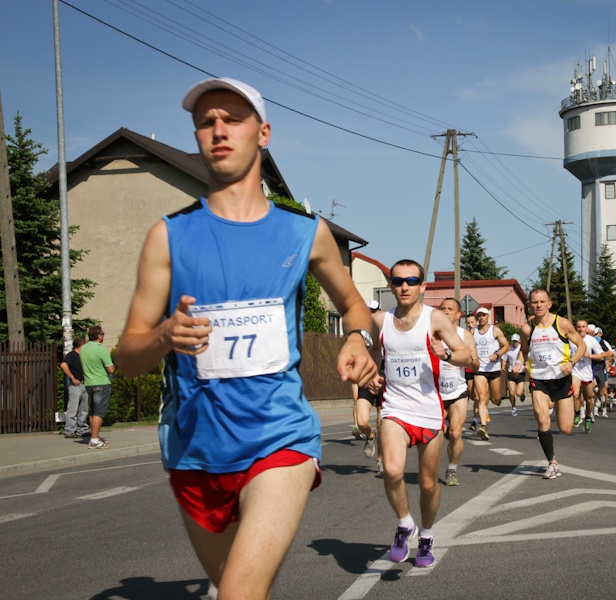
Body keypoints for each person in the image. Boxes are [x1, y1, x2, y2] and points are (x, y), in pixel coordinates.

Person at [115, 77, 378, 600]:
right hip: (194, 450)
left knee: (237, 593)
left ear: (263, 133)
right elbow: (127, 359)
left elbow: (355, 306)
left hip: (279, 439)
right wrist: (165, 334)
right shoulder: (168, 236)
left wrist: (356, 339)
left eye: (232, 119)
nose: (218, 130)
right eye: (206, 122)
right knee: (238, 589)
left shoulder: (305, 233)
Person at [371, 260, 471, 568]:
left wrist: (448, 354)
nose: (405, 286)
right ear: (390, 285)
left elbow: (467, 355)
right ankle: (405, 524)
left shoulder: (434, 318)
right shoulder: (380, 320)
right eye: (398, 281)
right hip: (395, 407)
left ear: (422, 286)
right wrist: (374, 372)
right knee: (392, 471)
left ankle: (426, 536)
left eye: (412, 281)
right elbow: (374, 350)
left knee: (428, 484)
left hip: (428, 411)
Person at [520, 289, 585, 479]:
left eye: (542, 302)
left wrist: (572, 362)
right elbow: (524, 350)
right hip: (539, 379)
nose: (538, 305)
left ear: (549, 304)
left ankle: (564, 403)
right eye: (534, 302)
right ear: (530, 305)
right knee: (542, 420)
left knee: (565, 428)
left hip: (561, 379)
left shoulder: (561, 323)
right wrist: (522, 362)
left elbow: (581, 345)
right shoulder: (527, 329)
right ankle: (552, 463)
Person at [436, 297, 479, 487]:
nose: (445, 311)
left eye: (450, 309)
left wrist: (468, 358)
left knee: (455, 433)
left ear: (458, 314)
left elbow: (476, 365)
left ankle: (451, 470)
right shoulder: (430, 334)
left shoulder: (465, 336)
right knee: (435, 435)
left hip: (458, 390)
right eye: (442, 308)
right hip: (435, 392)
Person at [351, 299, 384, 471]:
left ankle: (380, 459)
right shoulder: (360, 333)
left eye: (374, 311)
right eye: (369, 311)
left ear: (380, 311)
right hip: (366, 381)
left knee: (381, 425)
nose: (371, 314)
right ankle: (370, 437)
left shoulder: (388, 330)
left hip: (385, 381)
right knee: (362, 421)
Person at [472, 306, 509, 440]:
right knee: (482, 397)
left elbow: (506, 346)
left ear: (488, 316)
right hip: (480, 369)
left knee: (494, 398)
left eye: (483, 315)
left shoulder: (495, 330)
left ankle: (497, 399)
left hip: (493, 369)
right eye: (479, 316)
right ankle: (483, 426)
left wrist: (497, 355)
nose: (481, 318)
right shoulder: (473, 332)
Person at [80, 325, 115, 449]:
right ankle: (94, 440)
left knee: (93, 412)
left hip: (89, 383)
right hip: (101, 382)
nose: (103, 336)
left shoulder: (83, 349)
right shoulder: (101, 349)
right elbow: (111, 369)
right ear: (99, 336)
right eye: (103, 334)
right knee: (99, 413)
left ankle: (94, 436)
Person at [572, 320, 602, 432]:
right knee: (575, 394)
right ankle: (577, 413)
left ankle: (588, 416)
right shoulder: (571, 339)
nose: (581, 329)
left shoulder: (591, 340)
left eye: (583, 327)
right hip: (575, 371)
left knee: (589, 399)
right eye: (579, 327)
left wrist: (590, 355)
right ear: (576, 328)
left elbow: (601, 356)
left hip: (587, 373)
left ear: (587, 328)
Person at [60, 336, 90, 439]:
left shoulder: (84, 356)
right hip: (76, 385)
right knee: (73, 409)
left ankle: (82, 429)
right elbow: (63, 365)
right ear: (82, 344)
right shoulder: (72, 355)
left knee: (84, 409)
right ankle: (70, 430)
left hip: (85, 384)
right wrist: (72, 378)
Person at [591, 326, 614, 418]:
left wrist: (608, 364)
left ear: (601, 334)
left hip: (602, 368)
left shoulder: (604, 343)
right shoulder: (589, 341)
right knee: (593, 387)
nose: (595, 336)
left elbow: (611, 355)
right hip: (592, 367)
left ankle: (604, 409)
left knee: (603, 391)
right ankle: (594, 409)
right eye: (594, 334)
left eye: (597, 334)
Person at [502, 333, 527, 417]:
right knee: (511, 392)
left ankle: (522, 393)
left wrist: (525, 366)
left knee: (518, 393)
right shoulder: (509, 349)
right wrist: (503, 366)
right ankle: (513, 407)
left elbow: (525, 358)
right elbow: (504, 359)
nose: (515, 343)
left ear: (519, 341)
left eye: (516, 341)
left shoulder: (522, 348)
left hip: (520, 373)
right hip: (511, 372)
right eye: (513, 341)